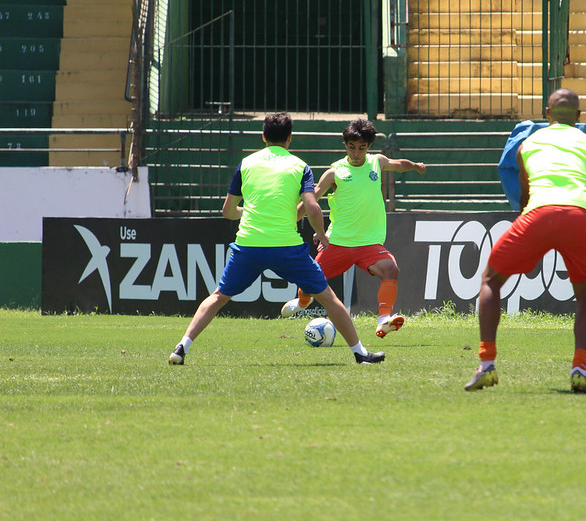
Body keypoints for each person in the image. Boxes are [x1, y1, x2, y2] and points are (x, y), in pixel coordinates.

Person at [168, 113, 385, 366]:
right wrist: (323, 236)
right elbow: (313, 208)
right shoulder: (300, 166)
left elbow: (228, 211)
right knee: (328, 298)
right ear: (290, 138)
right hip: (286, 247)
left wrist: (248, 213)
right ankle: (360, 354)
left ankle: (182, 347)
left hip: (249, 245)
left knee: (218, 297)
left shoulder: (246, 163)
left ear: (263, 136)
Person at [464, 88, 586, 393]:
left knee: (490, 281)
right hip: (579, 216)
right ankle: (580, 368)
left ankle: (486, 364)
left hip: (538, 213)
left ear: (546, 114)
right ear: (579, 117)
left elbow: (525, 197)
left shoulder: (527, 144)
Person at [280, 118, 426, 338]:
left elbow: (399, 164)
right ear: (345, 145)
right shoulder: (335, 172)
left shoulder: (377, 162)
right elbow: (312, 200)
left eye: (362, 148)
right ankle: (302, 300)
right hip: (338, 241)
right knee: (310, 283)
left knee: (391, 269)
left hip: (368, 242)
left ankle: (383, 319)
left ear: (368, 147)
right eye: (352, 147)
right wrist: (287, 221)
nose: (357, 153)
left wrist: (415, 166)